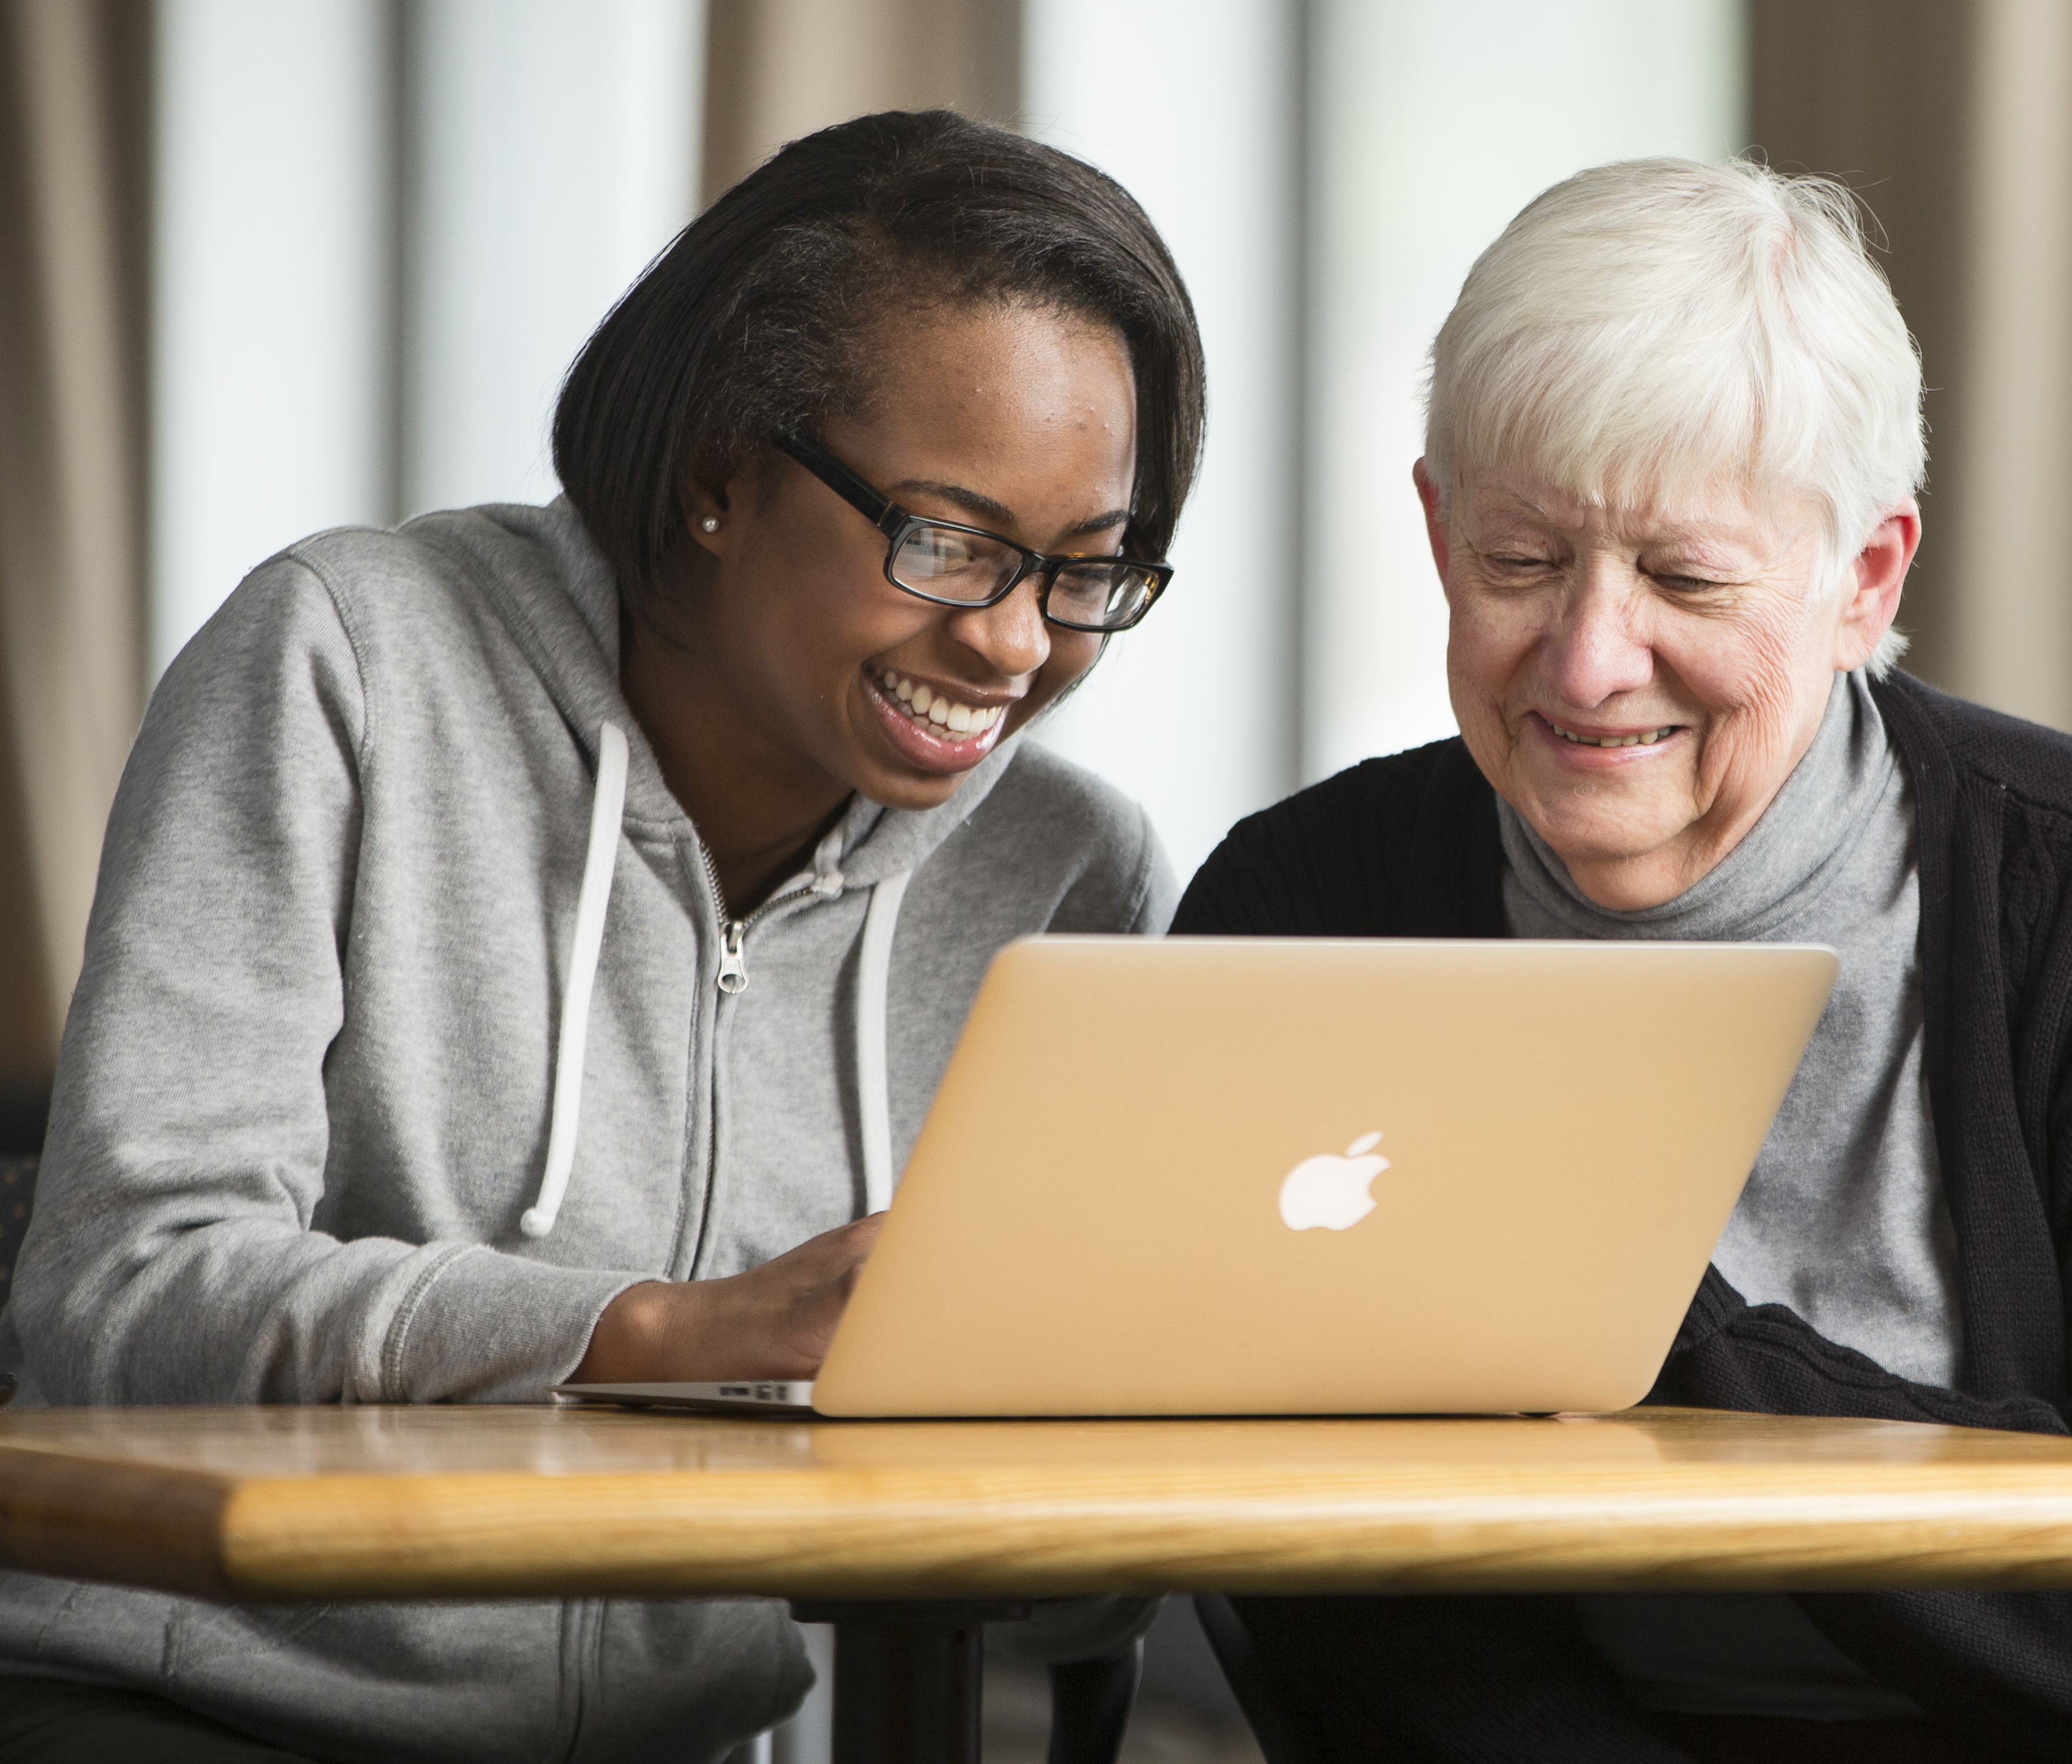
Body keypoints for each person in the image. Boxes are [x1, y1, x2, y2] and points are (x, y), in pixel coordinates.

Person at [1175, 158, 2072, 1764]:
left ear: (1866, 580)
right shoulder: (1301, 908)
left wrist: (1647, 1329)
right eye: (1520, 562)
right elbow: (1320, 1594)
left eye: (1685, 577)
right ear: (1438, 531)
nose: (1588, 663)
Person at [0, 111, 1193, 1762]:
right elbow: (123, 1293)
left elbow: (1052, 1566)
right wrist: (660, 1336)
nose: (1010, 643)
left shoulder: (1067, 874)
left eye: (1084, 571)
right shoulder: (347, 664)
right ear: (721, 475)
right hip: (187, 1707)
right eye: (949, 542)